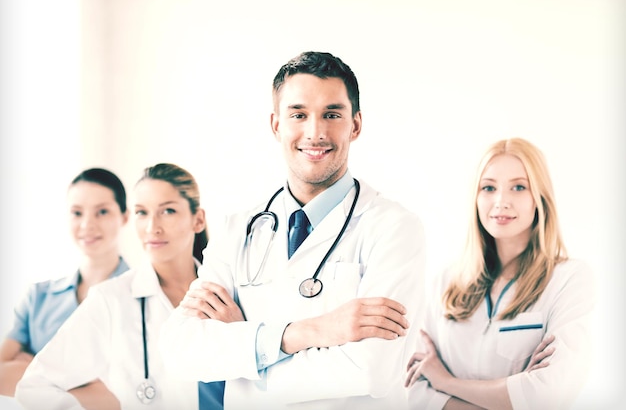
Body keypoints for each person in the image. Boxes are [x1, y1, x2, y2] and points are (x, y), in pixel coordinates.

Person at [159, 51, 427, 410]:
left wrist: (246, 367)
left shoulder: (394, 229)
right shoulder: (237, 229)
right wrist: (310, 331)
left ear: (355, 125)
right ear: (276, 125)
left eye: (332, 115)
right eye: (298, 115)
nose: (315, 132)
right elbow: (182, 350)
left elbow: (371, 372)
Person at [404, 137, 596, 410]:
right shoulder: (445, 281)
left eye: (519, 187)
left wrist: (446, 382)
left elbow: (549, 394)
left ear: (539, 197)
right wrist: (516, 391)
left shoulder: (568, 279)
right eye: (489, 188)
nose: (501, 201)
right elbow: (412, 388)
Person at [15, 163, 225, 410]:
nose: (151, 228)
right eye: (141, 212)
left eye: (167, 211)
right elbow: (33, 387)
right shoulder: (111, 300)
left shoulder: (226, 290)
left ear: (198, 220)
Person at [0, 168, 130, 401]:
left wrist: (38, 380)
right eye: (77, 212)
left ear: (125, 217)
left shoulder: (141, 296)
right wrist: (89, 387)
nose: (87, 224)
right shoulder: (38, 296)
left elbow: (126, 399)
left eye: (102, 212)